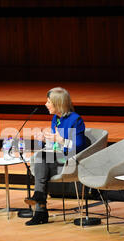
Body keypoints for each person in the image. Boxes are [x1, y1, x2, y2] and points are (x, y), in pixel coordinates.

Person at [24, 87, 86, 226]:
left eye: (49, 102)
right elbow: (55, 146)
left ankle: (40, 211)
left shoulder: (75, 120)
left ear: (58, 103)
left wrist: (61, 140)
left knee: (41, 163)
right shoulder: (55, 119)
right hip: (57, 159)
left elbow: (80, 147)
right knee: (41, 159)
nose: (46, 104)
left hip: (72, 161)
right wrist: (46, 140)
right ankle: (40, 202)